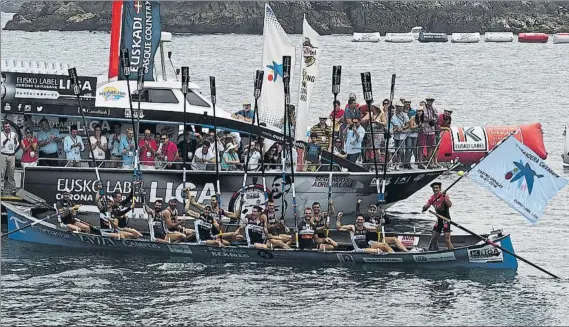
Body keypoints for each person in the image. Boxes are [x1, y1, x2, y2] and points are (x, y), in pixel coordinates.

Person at [422, 182, 454, 250]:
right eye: (434, 188)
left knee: (447, 240)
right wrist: (425, 207)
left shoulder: (444, 196)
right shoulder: (432, 198)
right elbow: (425, 208)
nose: (435, 189)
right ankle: (436, 251)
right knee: (433, 239)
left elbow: (449, 205)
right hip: (439, 220)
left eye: (437, 188)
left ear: (440, 189)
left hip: (446, 220)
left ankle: (453, 252)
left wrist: (444, 197)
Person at [391, 103, 410, 170]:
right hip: (393, 135)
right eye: (399, 107)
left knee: (400, 150)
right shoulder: (393, 115)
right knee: (393, 150)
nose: (400, 108)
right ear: (396, 107)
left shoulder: (404, 115)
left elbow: (408, 124)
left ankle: (398, 163)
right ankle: (393, 164)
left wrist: (402, 128)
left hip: (401, 134)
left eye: (401, 107)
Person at [423, 97, 439, 169]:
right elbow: (422, 118)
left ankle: (430, 161)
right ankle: (423, 161)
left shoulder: (434, 109)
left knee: (431, 147)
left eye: (431, 101)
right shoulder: (423, 108)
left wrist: (434, 120)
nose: (430, 102)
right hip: (424, 130)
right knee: (421, 147)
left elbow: (437, 117)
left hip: (432, 130)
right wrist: (429, 120)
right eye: (428, 101)